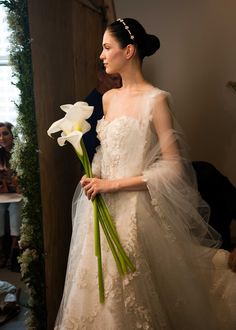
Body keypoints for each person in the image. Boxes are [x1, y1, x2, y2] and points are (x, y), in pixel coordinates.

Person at [55, 18, 236, 329]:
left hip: (134, 215)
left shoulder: (157, 100)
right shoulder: (108, 99)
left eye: (106, 47)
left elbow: (173, 167)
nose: (101, 55)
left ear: (128, 51)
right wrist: (93, 172)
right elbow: (106, 152)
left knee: (130, 296)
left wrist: (113, 184)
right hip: (99, 212)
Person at [83, 62, 121, 162]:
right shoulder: (89, 107)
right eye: (114, 79)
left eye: (121, 79)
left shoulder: (119, 100)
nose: (119, 84)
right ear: (101, 76)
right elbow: (89, 147)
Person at [0, 122, 21, 270]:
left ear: (12, 135)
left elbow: (22, 182)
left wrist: (12, 182)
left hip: (17, 195)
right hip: (3, 195)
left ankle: (14, 252)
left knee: (15, 209)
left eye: (5, 133)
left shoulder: (20, 153)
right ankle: (2, 252)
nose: (2, 138)